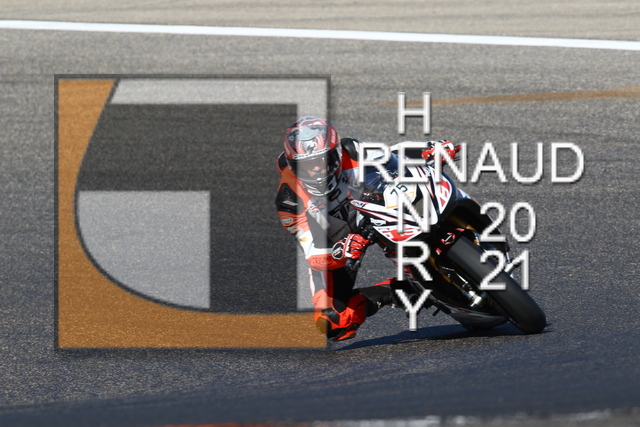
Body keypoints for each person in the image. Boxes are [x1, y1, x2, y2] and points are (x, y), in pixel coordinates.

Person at [275, 116, 458, 341]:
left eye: (321, 160)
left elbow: (392, 155)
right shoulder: (289, 200)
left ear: (335, 153)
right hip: (338, 245)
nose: (315, 170)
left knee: (421, 192)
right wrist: (340, 252)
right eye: (305, 165)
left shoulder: (351, 150)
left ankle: (463, 227)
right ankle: (401, 291)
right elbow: (312, 253)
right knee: (332, 321)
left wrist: (428, 150)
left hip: (374, 209)